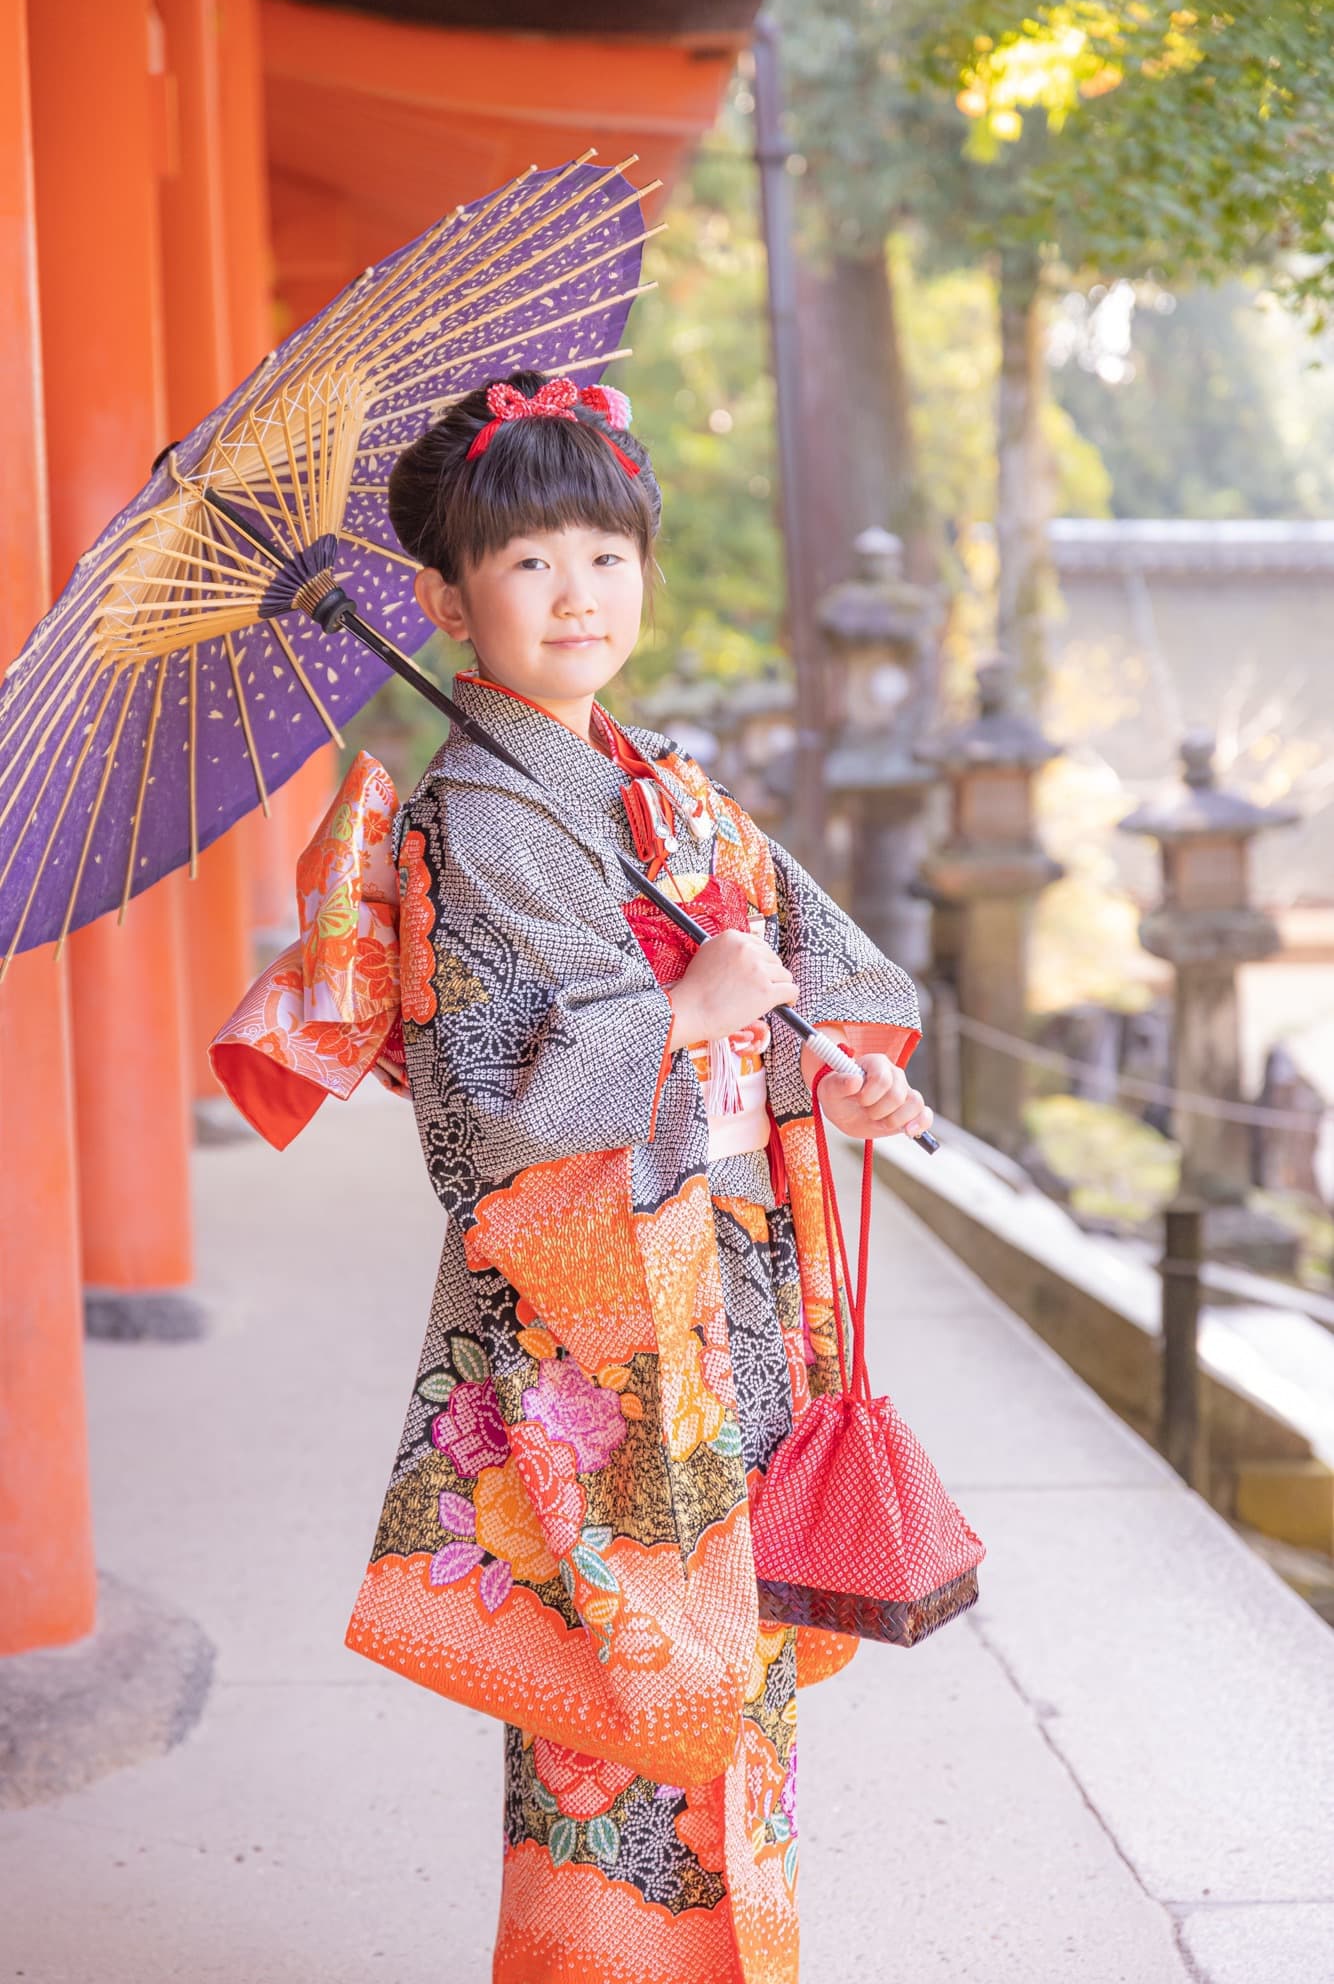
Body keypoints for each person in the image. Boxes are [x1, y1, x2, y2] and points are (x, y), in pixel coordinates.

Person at [341, 367, 932, 1984]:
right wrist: (682, 1012)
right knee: (627, 1676)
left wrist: (840, 1073)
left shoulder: (652, 778)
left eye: (605, 553)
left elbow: (811, 967)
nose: (576, 594)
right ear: (447, 597)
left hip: (720, 1273)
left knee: (724, 1655)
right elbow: (483, 1112)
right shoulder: (481, 816)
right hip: (598, 1311)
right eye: (528, 561)